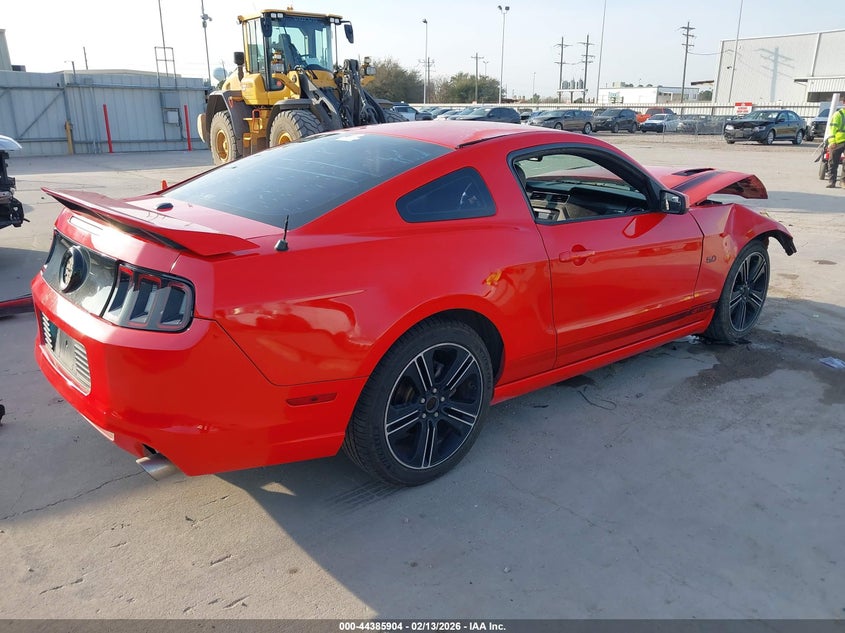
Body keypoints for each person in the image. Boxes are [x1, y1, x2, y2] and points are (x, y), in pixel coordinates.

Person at [826, 99, 845, 188]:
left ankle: (843, 181)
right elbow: (832, 129)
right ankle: (832, 181)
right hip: (837, 142)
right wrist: (832, 141)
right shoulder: (838, 114)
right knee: (833, 162)